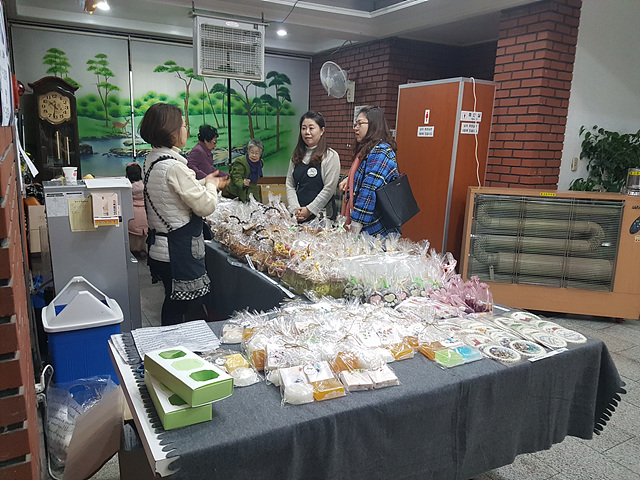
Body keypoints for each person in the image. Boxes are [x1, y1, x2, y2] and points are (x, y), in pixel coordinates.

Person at [140, 103, 229, 326]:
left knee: (172, 303)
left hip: (159, 247)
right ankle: (174, 344)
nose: (186, 130)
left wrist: (205, 181)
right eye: (182, 125)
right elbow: (205, 206)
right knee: (176, 307)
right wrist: (212, 186)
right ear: (170, 131)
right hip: (176, 252)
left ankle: (171, 341)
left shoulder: (152, 160)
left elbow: (175, 192)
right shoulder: (174, 166)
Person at [339, 106, 400, 236]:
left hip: (375, 228)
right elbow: (366, 176)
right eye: (355, 124)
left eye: (360, 123)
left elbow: (369, 188)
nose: (356, 128)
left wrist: (356, 225)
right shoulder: (369, 149)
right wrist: (350, 180)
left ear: (374, 125)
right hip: (367, 226)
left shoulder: (381, 150)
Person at [285, 111, 340, 222]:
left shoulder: (330, 156)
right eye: (303, 128)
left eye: (311, 128)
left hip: (322, 218)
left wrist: (309, 210)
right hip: (298, 215)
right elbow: (290, 184)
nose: (307, 132)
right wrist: (295, 208)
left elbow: (329, 188)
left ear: (322, 131)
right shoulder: (297, 155)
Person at [224, 138, 264, 203]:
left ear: (260, 154)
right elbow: (236, 177)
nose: (254, 155)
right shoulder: (240, 162)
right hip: (237, 192)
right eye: (252, 152)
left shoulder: (260, 163)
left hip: (252, 190)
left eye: (257, 153)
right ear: (248, 151)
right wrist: (243, 183)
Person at [125, 162, 148, 256]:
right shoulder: (146, 185)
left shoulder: (127, 188)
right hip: (145, 213)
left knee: (133, 236)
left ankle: (134, 251)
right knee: (144, 235)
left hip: (132, 214)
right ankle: (144, 250)